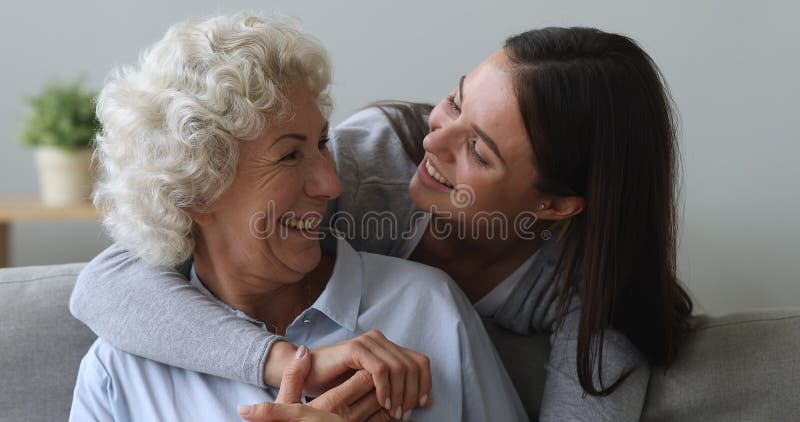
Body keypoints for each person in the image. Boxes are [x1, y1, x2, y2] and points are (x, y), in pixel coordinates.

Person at [70, 22, 694, 421]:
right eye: (454, 99)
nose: (434, 142)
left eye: (478, 151)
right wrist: (290, 363)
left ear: (554, 206)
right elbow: (110, 279)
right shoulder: (369, 164)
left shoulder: (587, 296)